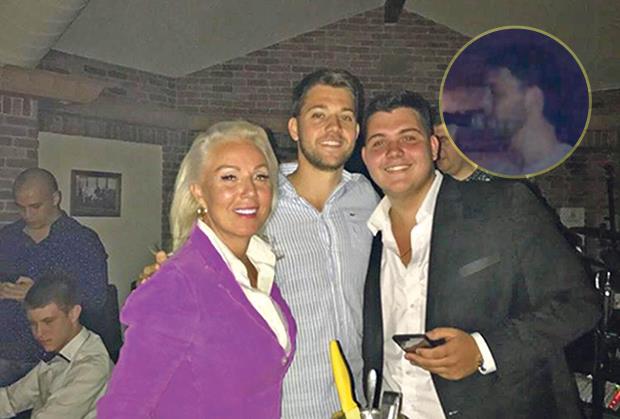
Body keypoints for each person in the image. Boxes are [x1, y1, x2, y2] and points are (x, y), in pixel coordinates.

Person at [140, 69, 379, 418]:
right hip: (276, 404)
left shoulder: (366, 196)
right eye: (318, 115)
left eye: (345, 117)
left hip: (351, 402)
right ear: (295, 128)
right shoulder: (257, 199)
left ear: (356, 131)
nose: (333, 127)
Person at [361, 90, 600, 418]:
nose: (393, 151)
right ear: (365, 157)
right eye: (379, 142)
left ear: (433, 147)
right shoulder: (369, 235)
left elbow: (580, 304)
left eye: (408, 137)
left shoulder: (504, 206)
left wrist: (483, 350)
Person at [97, 121, 297, 418]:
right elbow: (123, 407)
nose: (249, 191)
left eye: (260, 176)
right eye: (229, 177)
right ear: (199, 192)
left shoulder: (259, 267)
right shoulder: (177, 282)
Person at [0, 168, 109, 386]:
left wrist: (39, 294)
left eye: (35, 206)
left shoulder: (82, 240)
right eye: (21, 207)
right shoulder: (7, 237)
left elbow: (96, 299)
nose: (27, 215)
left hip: (58, 360)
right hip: (7, 353)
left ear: (56, 198)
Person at [0, 274, 112, 419]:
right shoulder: (61, 352)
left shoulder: (92, 366)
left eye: (48, 321)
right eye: (33, 324)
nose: (39, 333)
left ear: (73, 314)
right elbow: (10, 400)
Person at [431, 107, 492, 182]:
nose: (436, 148)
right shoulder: (430, 184)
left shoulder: (495, 183)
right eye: (431, 141)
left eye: (443, 140)